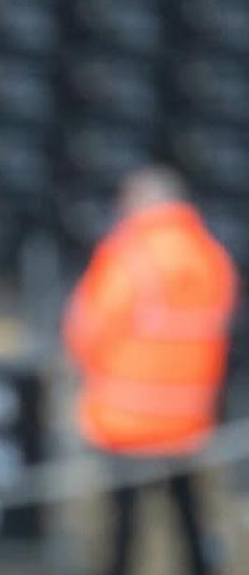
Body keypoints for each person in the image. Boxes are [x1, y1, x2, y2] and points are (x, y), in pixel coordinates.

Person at [63, 166, 240, 575]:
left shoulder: (130, 255)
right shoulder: (212, 256)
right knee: (190, 524)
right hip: (189, 421)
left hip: (125, 420)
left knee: (121, 534)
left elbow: (87, 328)